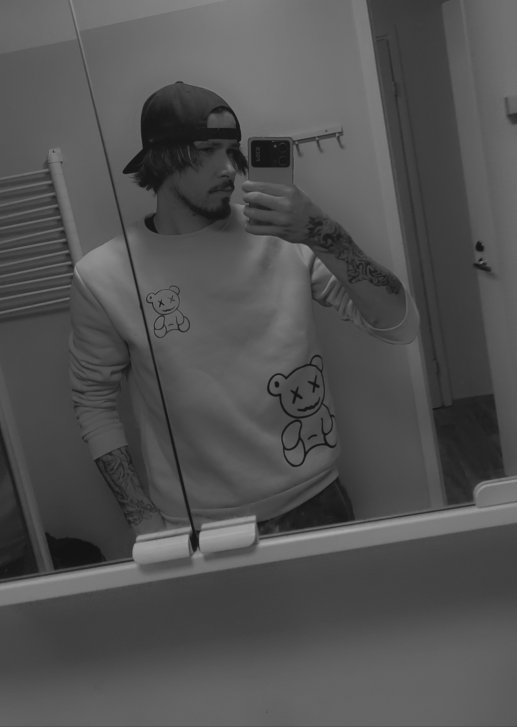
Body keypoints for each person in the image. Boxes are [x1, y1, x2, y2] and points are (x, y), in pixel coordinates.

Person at [69, 81, 419, 538]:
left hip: (318, 499)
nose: (229, 168)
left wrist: (322, 231)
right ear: (162, 159)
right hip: (199, 522)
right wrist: (145, 521)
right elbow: (93, 401)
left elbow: (398, 324)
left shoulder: (282, 235)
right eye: (207, 150)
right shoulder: (104, 275)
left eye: (231, 151)